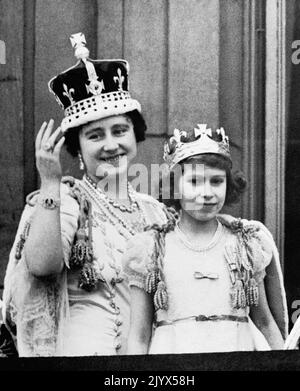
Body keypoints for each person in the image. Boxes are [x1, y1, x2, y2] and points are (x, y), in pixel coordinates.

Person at [1, 33, 167, 356]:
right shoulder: (68, 201)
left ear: (135, 135)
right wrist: (50, 183)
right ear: (78, 149)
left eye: (120, 131)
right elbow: (42, 266)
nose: (111, 145)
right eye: (95, 136)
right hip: (83, 358)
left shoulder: (155, 213)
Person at [124, 124, 288, 354]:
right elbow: (139, 336)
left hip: (237, 355)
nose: (207, 192)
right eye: (195, 182)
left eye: (216, 181)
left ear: (228, 184)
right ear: (175, 186)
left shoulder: (245, 243)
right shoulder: (150, 248)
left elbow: (264, 322)